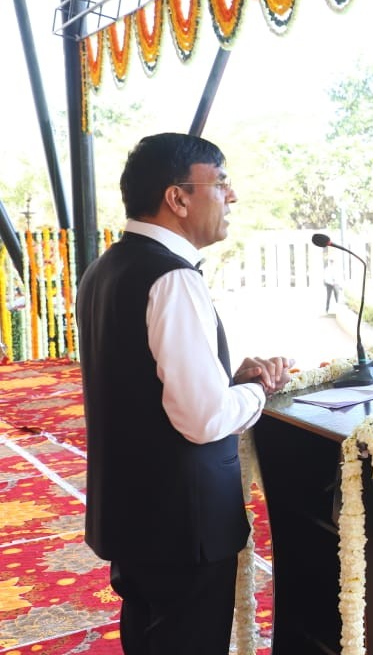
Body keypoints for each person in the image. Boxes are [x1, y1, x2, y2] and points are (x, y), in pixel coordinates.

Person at [76, 133, 294, 655]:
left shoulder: (106, 267)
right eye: (220, 183)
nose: (231, 196)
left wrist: (229, 382)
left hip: (134, 515)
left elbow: (143, 382)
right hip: (183, 525)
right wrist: (259, 390)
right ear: (177, 198)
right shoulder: (172, 277)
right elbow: (203, 418)